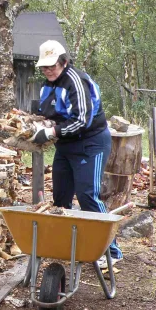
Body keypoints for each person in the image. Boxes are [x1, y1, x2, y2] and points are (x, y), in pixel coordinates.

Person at [30, 40, 122, 267]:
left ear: (64, 62)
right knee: (60, 197)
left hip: (91, 143)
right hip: (66, 145)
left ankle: (112, 251)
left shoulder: (76, 81)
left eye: (52, 65)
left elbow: (82, 120)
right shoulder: (47, 85)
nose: (48, 70)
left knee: (87, 195)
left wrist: (51, 131)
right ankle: (67, 244)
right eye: (44, 66)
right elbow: (48, 113)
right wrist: (35, 126)